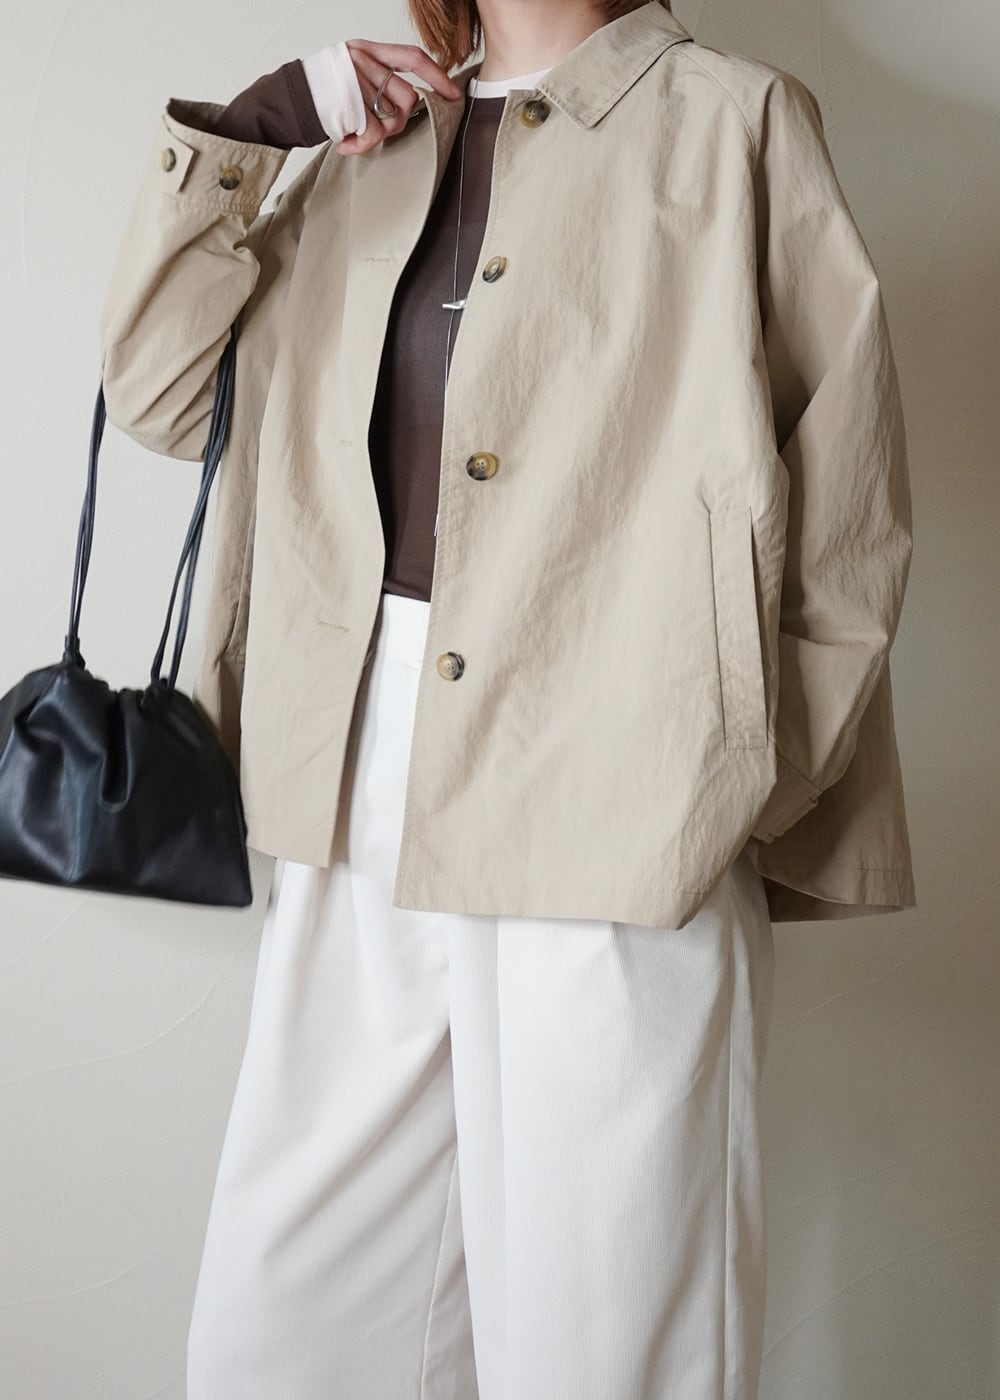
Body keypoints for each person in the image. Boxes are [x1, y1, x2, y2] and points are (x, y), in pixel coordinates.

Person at [97, 2, 916, 1396]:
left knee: (604, 1350)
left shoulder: (735, 121)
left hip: (617, 791)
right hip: (351, 789)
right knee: (283, 1344)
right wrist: (255, 128)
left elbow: (851, 508)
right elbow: (163, 397)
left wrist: (722, 770)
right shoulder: (362, 146)